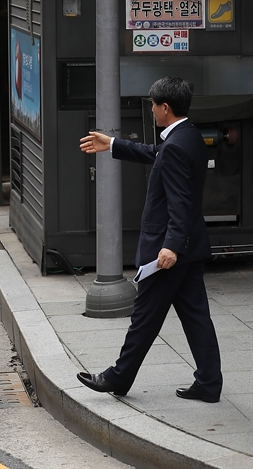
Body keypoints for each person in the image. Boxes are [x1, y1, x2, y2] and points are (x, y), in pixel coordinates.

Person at [78, 76, 222, 403]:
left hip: (170, 251)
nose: (152, 110)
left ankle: (118, 377)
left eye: (154, 105)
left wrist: (169, 246)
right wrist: (112, 144)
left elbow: (180, 201)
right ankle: (210, 382)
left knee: (144, 317)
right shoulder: (188, 136)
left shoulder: (175, 145)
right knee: (197, 317)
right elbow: (155, 153)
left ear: (165, 108)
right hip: (191, 246)